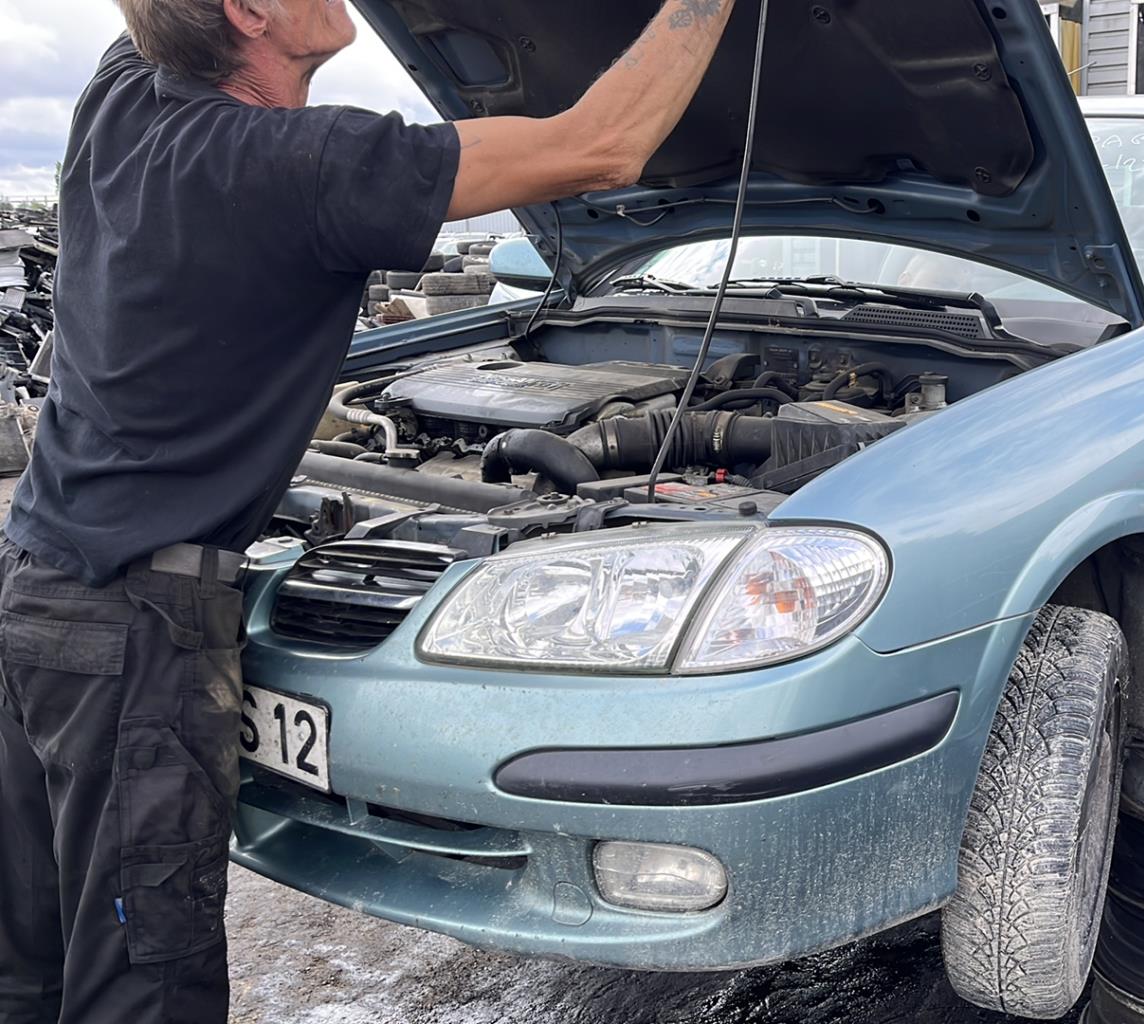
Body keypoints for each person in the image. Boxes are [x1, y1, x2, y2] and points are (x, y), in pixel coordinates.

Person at [0, 0, 738, 1020]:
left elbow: (155, 25)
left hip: (36, 593)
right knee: (143, 982)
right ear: (247, 12)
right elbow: (604, 144)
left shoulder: (121, 98)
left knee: (29, 968)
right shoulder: (295, 167)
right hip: (136, 635)